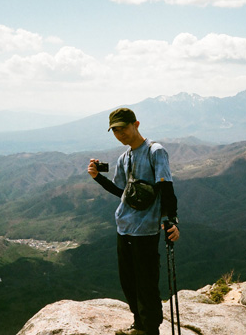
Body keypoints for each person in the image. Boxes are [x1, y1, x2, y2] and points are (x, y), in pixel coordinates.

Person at [88, 107, 180, 335]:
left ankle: (150, 329)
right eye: (115, 131)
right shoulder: (124, 158)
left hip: (146, 231)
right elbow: (122, 192)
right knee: (128, 283)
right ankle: (139, 325)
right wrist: (98, 178)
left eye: (123, 128)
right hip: (124, 228)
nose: (120, 134)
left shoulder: (155, 151)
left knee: (146, 284)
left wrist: (171, 220)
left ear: (136, 124)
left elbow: (166, 187)